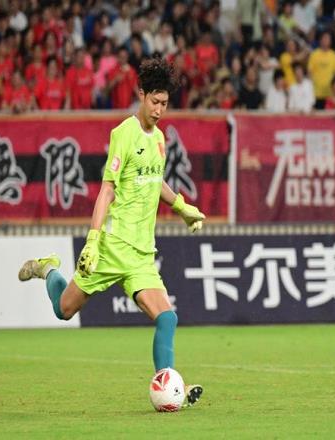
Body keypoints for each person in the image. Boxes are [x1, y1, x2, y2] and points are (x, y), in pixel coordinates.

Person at [18, 58, 205, 408]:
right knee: (64, 310)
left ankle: (169, 386)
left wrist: (181, 206)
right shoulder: (124, 134)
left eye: (165, 103)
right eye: (154, 102)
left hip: (141, 254)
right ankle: (49, 269)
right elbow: (107, 190)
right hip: (112, 245)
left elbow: (154, 180)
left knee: (167, 317)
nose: (159, 110)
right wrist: (93, 240)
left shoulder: (159, 139)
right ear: (141, 95)